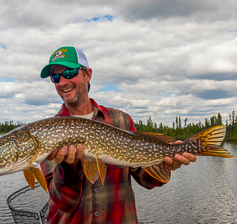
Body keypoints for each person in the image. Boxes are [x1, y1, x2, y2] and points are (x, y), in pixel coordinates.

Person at [40, 46, 197, 224]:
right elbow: (64, 202)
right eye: (55, 77)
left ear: (87, 74)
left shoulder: (121, 120)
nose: (61, 82)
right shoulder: (48, 131)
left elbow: (145, 180)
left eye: (69, 73)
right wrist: (69, 168)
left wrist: (166, 164)